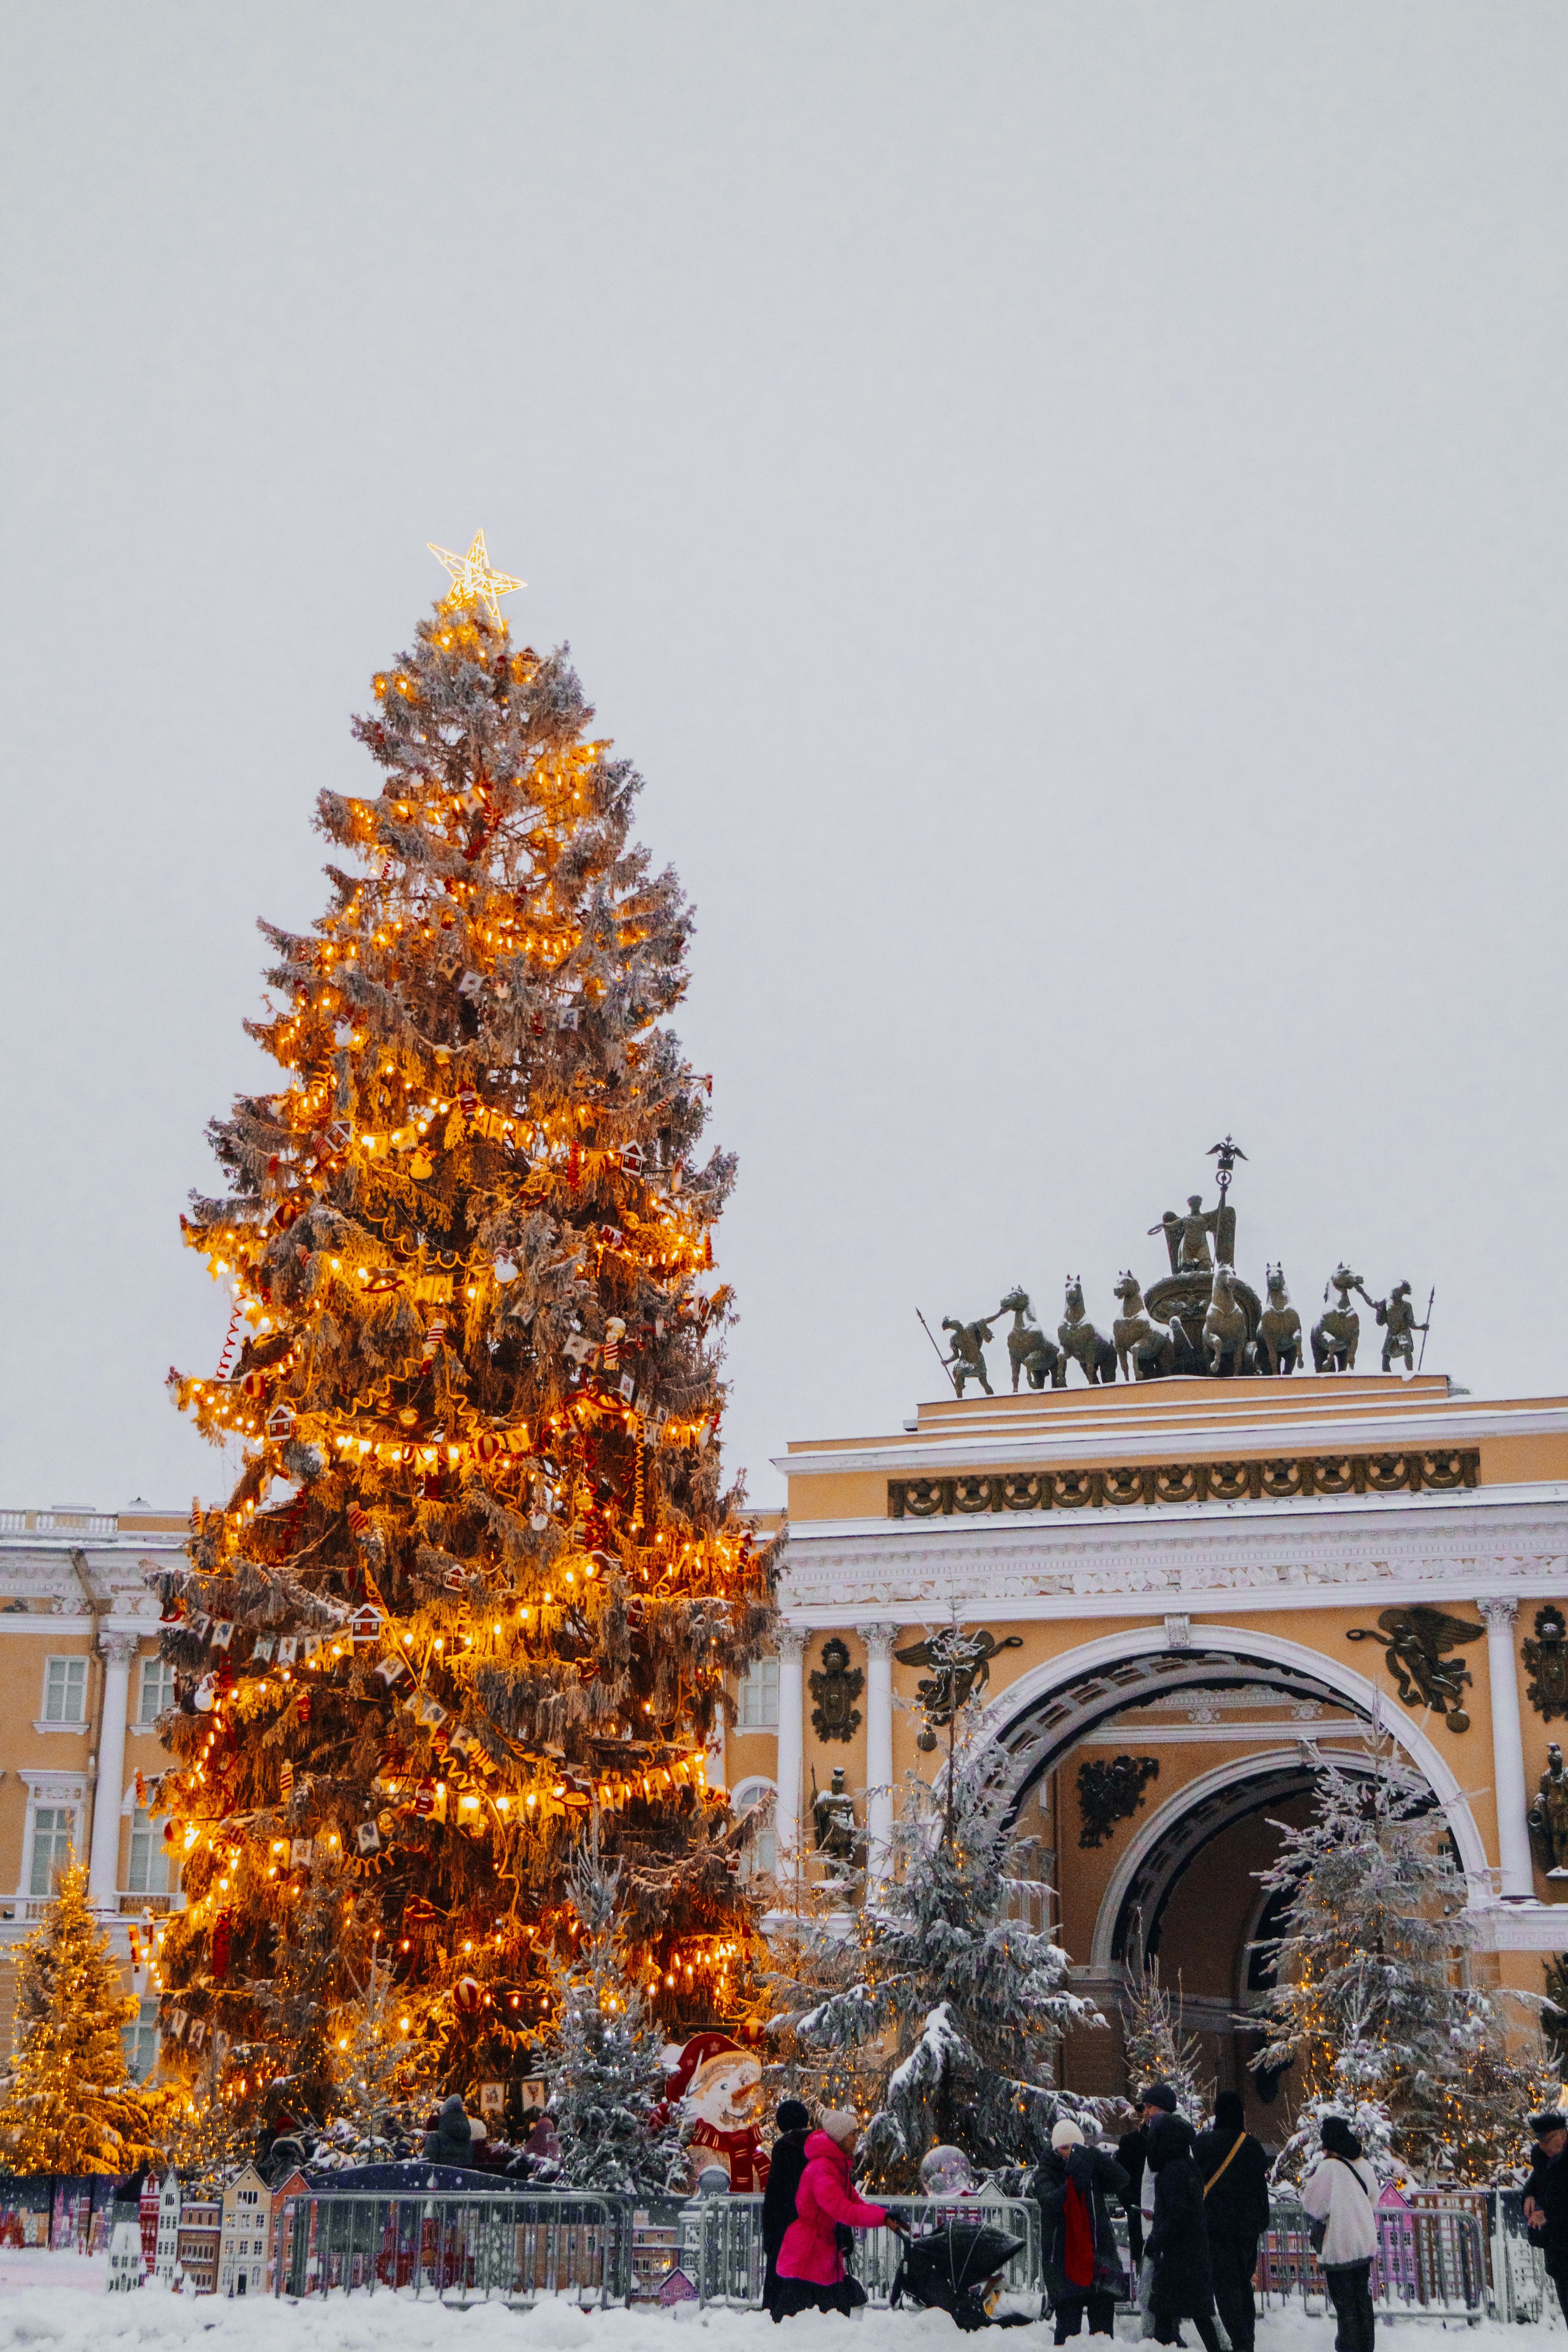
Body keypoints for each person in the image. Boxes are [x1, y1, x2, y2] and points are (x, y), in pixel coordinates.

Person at [772, 2109, 908, 2320]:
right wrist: (882, 2218)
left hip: (820, 2255)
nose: (857, 2138)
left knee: (827, 2322)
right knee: (797, 2325)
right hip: (807, 2256)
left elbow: (856, 2202)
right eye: (853, 2134)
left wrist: (886, 2216)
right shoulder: (822, 2170)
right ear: (840, 2138)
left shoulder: (835, 2168)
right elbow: (844, 2210)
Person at [1036, 2117, 1130, 2343]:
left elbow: (1122, 2179)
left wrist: (1097, 2157)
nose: (1070, 2153)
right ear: (1056, 2149)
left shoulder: (1090, 2166)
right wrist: (1074, 2180)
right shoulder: (1046, 2171)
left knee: (1103, 2337)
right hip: (1063, 2263)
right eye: (1064, 2148)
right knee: (1068, 2334)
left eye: (1074, 2147)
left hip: (1099, 2259)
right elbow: (1050, 2202)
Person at [1195, 2091, 1270, 2352]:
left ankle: (1238, 2342)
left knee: (1225, 2288)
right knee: (1243, 2285)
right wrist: (1260, 2221)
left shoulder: (1204, 2144)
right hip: (1246, 2231)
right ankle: (1247, 2340)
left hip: (1216, 2229)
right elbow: (1260, 2189)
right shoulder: (1251, 2145)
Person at [1144, 2112, 1221, 2352]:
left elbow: (1178, 2214)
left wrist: (1157, 2240)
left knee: (1168, 2318)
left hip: (1177, 2260)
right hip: (1192, 2256)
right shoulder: (1188, 2167)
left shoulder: (1172, 2171)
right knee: (1198, 2313)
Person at [1300, 2116, 1378, 2352]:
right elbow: (1373, 2198)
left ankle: (1348, 2347)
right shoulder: (1362, 2164)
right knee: (1362, 2300)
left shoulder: (1329, 2167)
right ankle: (1366, 2346)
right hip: (1364, 2242)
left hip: (1340, 2244)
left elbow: (1311, 2204)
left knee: (1345, 2307)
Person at [1132, 2084, 1178, 2333]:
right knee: (1152, 2284)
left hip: (1161, 2227)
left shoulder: (1170, 2141)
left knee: (1152, 2285)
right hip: (1154, 2224)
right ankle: (1159, 2334)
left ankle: (1159, 2335)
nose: (1146, 2113)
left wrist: (1156, 2213)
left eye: (1150, 2107)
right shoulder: (1154, 2138)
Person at [761, 2100, 813, 2316]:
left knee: (780, 2279)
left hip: (786, 2225)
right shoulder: (818, 2145)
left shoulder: (784, 2148)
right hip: (813, 2223)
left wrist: (770, 2234)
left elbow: (775, 2194)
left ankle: (779, 2312)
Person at [1523, 2109, 1568, 2322]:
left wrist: (1548, 2215)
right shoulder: (1543, 2161)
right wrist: (1529, 2195)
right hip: (1559, 2253)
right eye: (1539, 2141)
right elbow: (1533, 2184)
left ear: (1562, 2135)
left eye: (1547, 2140)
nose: (1543, 2146)